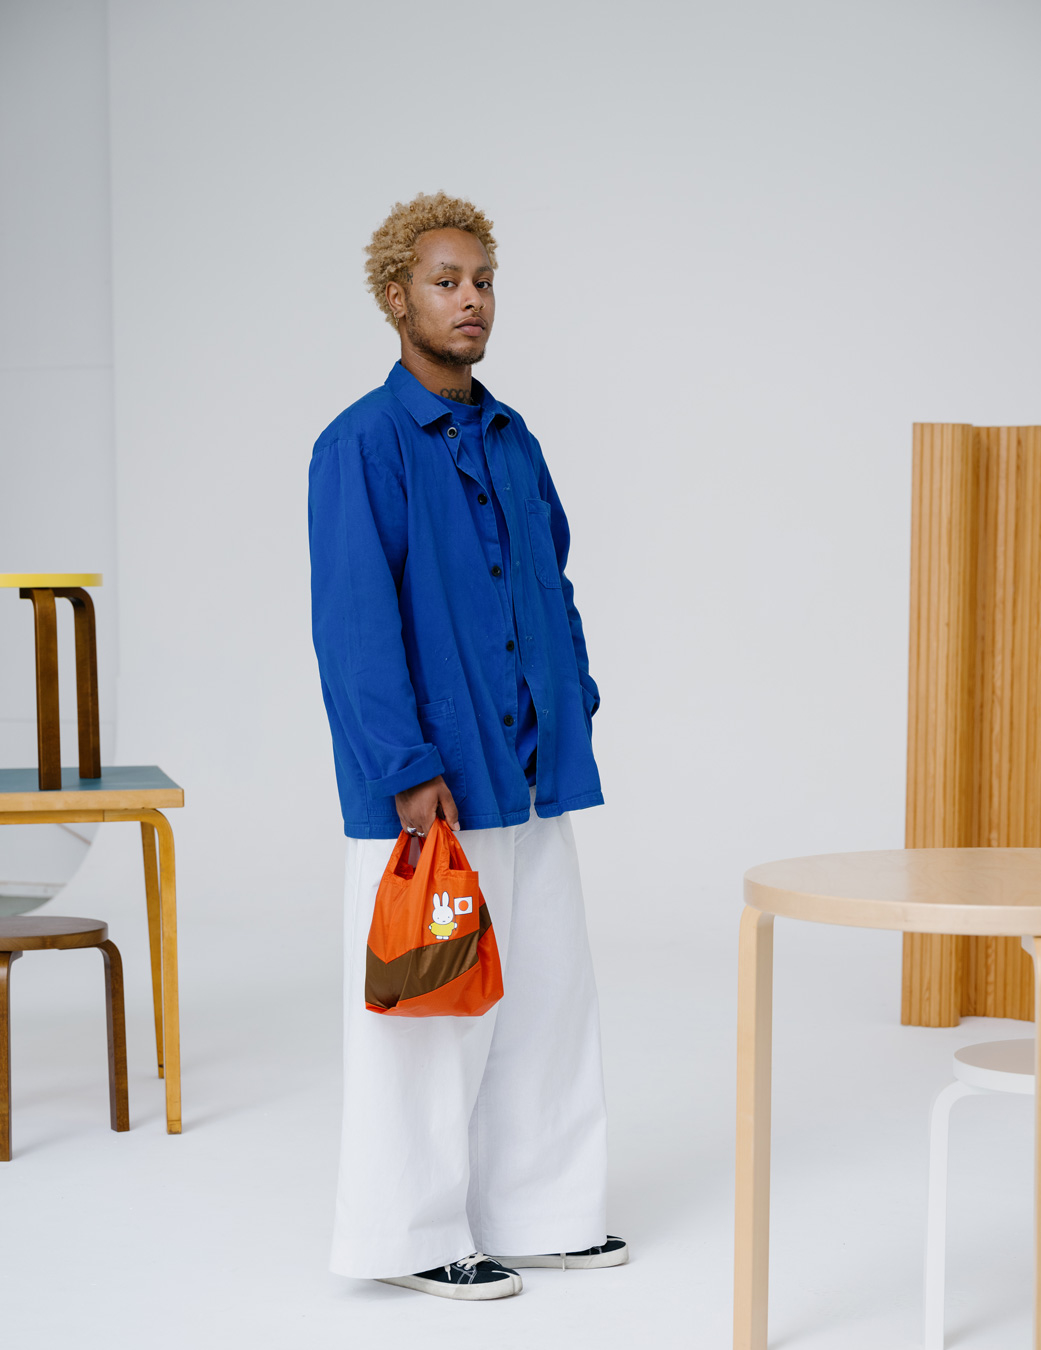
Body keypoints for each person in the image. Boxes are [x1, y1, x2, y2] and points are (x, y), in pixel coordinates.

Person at [308, 191, 625, 1301]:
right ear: (396, 298)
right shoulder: (361, 443)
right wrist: (405, 768)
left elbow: (553, 579)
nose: (471, 299)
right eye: (446, 282)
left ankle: (546, 1212)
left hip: (532, 772)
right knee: (426, 1015)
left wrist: (575, 696)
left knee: (546, 1000)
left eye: (483, 280)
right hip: (432, 788)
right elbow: (353, 624)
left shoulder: (512, 437)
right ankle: (409, 1236)